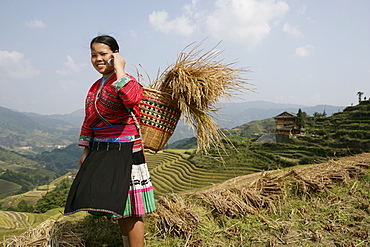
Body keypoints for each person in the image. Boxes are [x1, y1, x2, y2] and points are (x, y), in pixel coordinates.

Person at [64, 35, 156, 247]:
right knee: (119, 207)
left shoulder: (127, 80)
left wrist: (120, 69)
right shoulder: (96, 86)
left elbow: (131, 98)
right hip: (103, 149)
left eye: (103, 54)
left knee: (131, 210)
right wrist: (86, 151)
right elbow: (89, 119)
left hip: (126, 150)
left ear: (115, 54)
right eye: (93, 55)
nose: (98, 59)